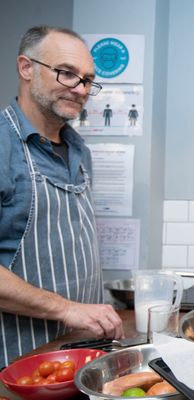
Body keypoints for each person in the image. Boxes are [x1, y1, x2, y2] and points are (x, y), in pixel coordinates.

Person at [0, 26, 124, 368]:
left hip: (83, 353)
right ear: (26, 68)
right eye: (67, 74)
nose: (80, 89)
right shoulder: (3, 146)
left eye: (87, 80)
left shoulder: (80, 151)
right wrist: (67, 309)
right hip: (19, 362)